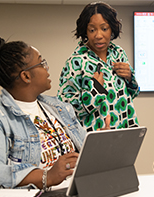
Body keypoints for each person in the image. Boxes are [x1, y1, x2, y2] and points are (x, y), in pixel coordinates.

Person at [0, 35, 108, 190]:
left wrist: (97, 144)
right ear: (26, 76)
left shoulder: (59, 108)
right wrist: (46, 176)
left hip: (79, 191)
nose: (47, 68)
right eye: (42, 63)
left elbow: (80, 155)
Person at [57, 2, 139, 132]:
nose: (98, 35)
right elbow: (65, 109)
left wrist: (130, 78)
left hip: (124, 131)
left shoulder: (119, 53)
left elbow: (132, 94)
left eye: (104, 28)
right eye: (92, 30)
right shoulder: (76, 61)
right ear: (85, 31)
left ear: (112, 29)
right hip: (92, 138)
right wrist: (95, 91)